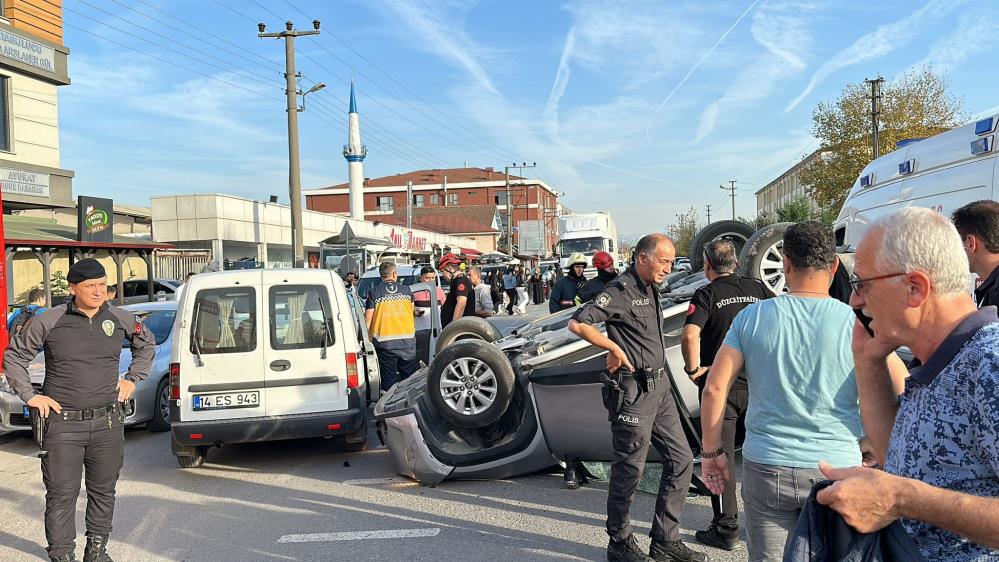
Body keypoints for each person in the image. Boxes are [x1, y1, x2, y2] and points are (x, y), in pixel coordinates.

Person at [819, 207, 999, 560]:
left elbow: (905, 490)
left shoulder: (989, 365)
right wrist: (867, 360)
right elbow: (899, 457)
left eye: (862, 284)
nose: (855, 300)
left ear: (915, 288)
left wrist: (899, 499)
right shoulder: (936, 359)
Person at [700, 221, 875, 562]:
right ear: (834, 265)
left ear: (786, 264)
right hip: (837, 466)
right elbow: (898, 385)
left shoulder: (751, 318)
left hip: (768, 465)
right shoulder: (854, 322)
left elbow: (714, 388)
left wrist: (711, 453)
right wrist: (874, 444)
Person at [3, 258, 155, 562]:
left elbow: (146, 344)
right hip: (63, 426)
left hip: (108, 423)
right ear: (73, 288)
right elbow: (14, 356)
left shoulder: (120, 318)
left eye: (103, 285)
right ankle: (62, 556)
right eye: (90, 286)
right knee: (61, 495)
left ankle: (96, 552)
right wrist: (31, 396)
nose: (99, 292)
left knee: (103, 491)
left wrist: (133, 378)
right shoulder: (50, 320)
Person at [569, 234, 706, 562]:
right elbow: (579, 323)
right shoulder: (620, 291)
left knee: (682, 459)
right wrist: (613, 348)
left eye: (672, 262)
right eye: (663, 261)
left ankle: (665, 540)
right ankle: (619, 542)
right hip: (633, 393)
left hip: (660, 392)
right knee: (630, 470)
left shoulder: (651, 288)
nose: (668, 268)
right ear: (642, 258)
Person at [681, 240, 772, 551]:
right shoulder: (758, 288)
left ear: (707, 265)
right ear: (735, 262)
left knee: (720, 457)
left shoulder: (706, 294)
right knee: (763, 455)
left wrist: (693, 368)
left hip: (723, 389)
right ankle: (768, 520)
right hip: (759, 385)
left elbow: (690, 333)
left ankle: (726, 528)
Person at [364, 262, 417, 392]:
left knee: (388, 380)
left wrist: (364, 339)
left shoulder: (374, 293)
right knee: (409, 379)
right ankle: (407, 404)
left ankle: (388, 407)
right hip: (407, 342)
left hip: (385, 343)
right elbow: (411, 311)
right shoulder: (407, 290)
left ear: (380, 275)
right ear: (394, 274)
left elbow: (368, 319)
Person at [951, 199, 999, 308]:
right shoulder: (993, 289)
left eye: (955, 243)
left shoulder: (996, 295)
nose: (953, 251)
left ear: (970, 243)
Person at [412, 266, 446, 365]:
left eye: (432, 278)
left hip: (437, 330)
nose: (430, 280)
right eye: (427, 278)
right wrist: (414, 311)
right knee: (421, 358)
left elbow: (445, 308)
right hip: (420, 330)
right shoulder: (414, 291)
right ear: (421, 278)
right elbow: (408, 309)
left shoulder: (439, 291)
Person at [438, 253, 476, 327]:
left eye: (442, 271)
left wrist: (453, 327)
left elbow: (461, 303)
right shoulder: (456, 281)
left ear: (449, 268)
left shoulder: (461, 281)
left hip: (460, 330)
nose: (442, 275)